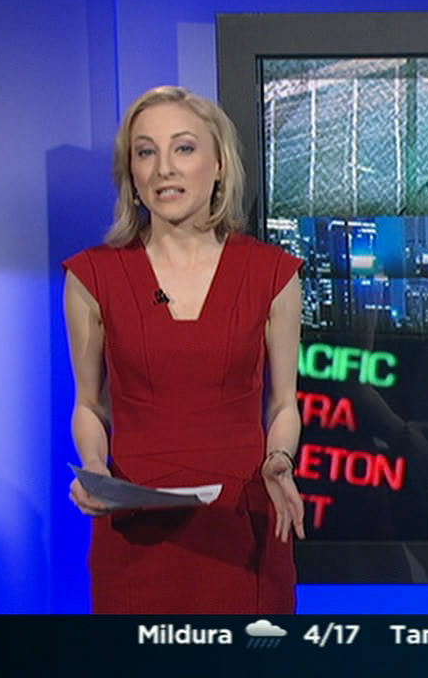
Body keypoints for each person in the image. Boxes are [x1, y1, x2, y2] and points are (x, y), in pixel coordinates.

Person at [62, 85, 305, 613]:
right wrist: (96, 468)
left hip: (244, 524)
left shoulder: (273, 274)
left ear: (218, 165)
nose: (164, 168)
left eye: (184, 148)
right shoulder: (92, 276)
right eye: (145, 152)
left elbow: (284, 403)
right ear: (131, 172)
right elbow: (89, 404)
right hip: (134, 531)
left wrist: (279, 459)